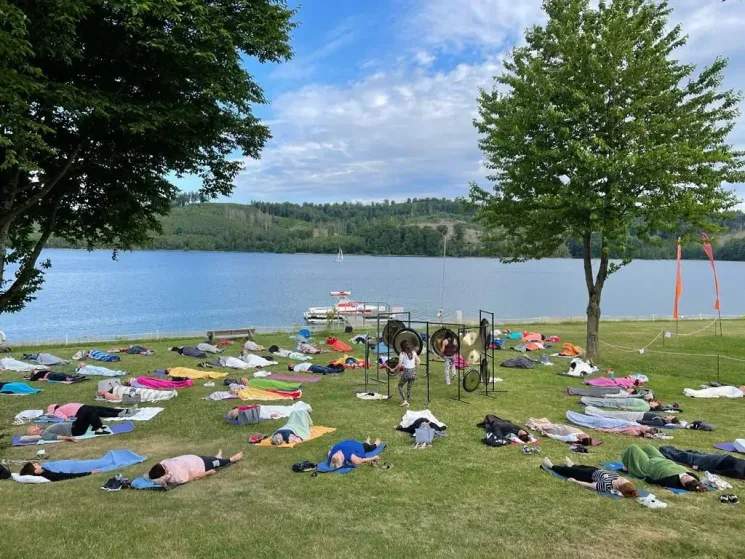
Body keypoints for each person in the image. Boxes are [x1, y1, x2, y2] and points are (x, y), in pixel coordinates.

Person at [621, 444, 706, 491]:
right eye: (689, 476)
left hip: (649, 465)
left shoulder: (671, 481)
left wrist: (642, 476)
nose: (686, 476)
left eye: (686, 479)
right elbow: (699, 484)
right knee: (648, 447)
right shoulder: (695, 478)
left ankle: (628, 465)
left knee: (633, 448)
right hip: (662, 459)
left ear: (683, 484)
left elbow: (652, 481)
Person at [543, 457, 638, 498]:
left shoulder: (606, 485)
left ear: (618, 486)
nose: (622, 478)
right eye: (624, 479)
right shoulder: (622, 481)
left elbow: (590, 485)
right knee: (583, 466)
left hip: (586, 476)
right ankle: (572, 465)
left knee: (567, 471)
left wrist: (575, 481)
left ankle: (551, 466)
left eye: (622, 480)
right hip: (595, 470)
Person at [148, 450, 243, 488]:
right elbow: (192, 477)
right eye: (164, 468)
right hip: (202, 465)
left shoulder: (162, 464)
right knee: (217, 462)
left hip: (195, 459)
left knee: (212, 459)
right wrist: (207, 473)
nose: (165, 466)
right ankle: (231, 459)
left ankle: (217, 457)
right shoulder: (177, 476)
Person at [22, 405, 113, 442]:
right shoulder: (45, 434)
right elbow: (57, 437)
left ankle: (97, 426)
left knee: (88, 409)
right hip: (75, 430)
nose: (36, 425)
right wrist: (70, 438)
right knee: (87, 411)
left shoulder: (45, 430)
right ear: (34, 433)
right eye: (34, 427)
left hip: (74, 426)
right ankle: (98, 429)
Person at [659, 446, 745, 479]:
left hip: (723, 458)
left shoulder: (739, 471)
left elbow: (721, 472)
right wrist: (702, 469)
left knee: (698, 456)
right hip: (716, 462)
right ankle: (666, 451)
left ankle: (673, 451)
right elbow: (720, 472)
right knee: (691, 459)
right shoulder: (738, 472)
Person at [388, 340, 420, 407]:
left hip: (406, 373)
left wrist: (393, 369)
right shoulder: (413, 352)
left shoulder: (402, 354)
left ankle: (405, 401)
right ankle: (408, 401)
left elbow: (399, 365)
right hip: (413, 372)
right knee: (409, 387)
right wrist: (415, 368)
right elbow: (418, 361)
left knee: (400, 386)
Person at [526, 417, 592, 446]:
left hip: (557, 431)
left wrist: (547, 434)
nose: (585, 433)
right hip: (562, 427)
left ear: (581, 439)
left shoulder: (571, 438)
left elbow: (558, 437)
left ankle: (535, 424)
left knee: (542, 425)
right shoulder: (581, 433)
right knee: (547, 423)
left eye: (585, 435)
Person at [46, 403, 137, 421]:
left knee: (102, 413)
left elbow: (63, 417)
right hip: (83, 406)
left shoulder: (57, 411)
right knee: (104, 409)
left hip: (81, 410)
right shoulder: (62, 407)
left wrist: (67, 419)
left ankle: (121, 413)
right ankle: (125, 410)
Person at [18, 462, 100, 482]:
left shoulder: (44, 471)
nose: (39, 465)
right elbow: (67, 476)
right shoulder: (50, 475)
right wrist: (89, 473)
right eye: (37, 465)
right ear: (36, 471)